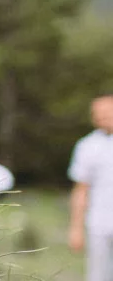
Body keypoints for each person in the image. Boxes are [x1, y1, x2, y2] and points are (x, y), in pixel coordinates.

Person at [68, 95, 113, 281]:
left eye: (107, 112)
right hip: (99, 223)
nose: (102, 117)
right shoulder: (87, 146)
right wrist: (75, 228)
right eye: (97, 114)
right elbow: (81, 190)